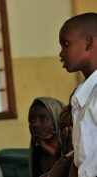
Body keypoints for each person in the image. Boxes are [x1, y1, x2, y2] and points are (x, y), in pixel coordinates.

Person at [59, 12, 97, 176]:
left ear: (89, 43)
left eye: (66, 43)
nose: (61, 53)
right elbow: (81, 161)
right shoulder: (81, 97)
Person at [28, 97, 65, 177]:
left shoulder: (69, 155)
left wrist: (54, 156)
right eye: (31, 120)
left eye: (43, 119)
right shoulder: (38, 153)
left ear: (57, 121)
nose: (35, 125)